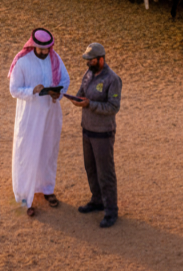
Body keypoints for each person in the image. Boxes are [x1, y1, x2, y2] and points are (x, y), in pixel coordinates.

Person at [8, 27, 70, 217]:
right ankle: (23, 198)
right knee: (26, 153)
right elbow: (14, 89)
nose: (44, 52)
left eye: (47, 49)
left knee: (47, 151)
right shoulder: (23, 62)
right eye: (41, 49)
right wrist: (32, 91)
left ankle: (47, 189)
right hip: (29, 117)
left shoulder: (55, 59)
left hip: (50, 113)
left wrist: (58, 93)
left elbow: (65, 80)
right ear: (33, 45)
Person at [72, 41, 121, 228]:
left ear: (101, 59)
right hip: (87, 129)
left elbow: (113, 107)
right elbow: (81, 92)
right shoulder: (88, 74)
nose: (88, 63)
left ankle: (111, 211)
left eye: (91, 60)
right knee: (90, 168)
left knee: (105, 172)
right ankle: (97, 200)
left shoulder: (112, 79)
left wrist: (89, 104)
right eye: (87, 60)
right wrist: (76, 99)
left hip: (103, 133)